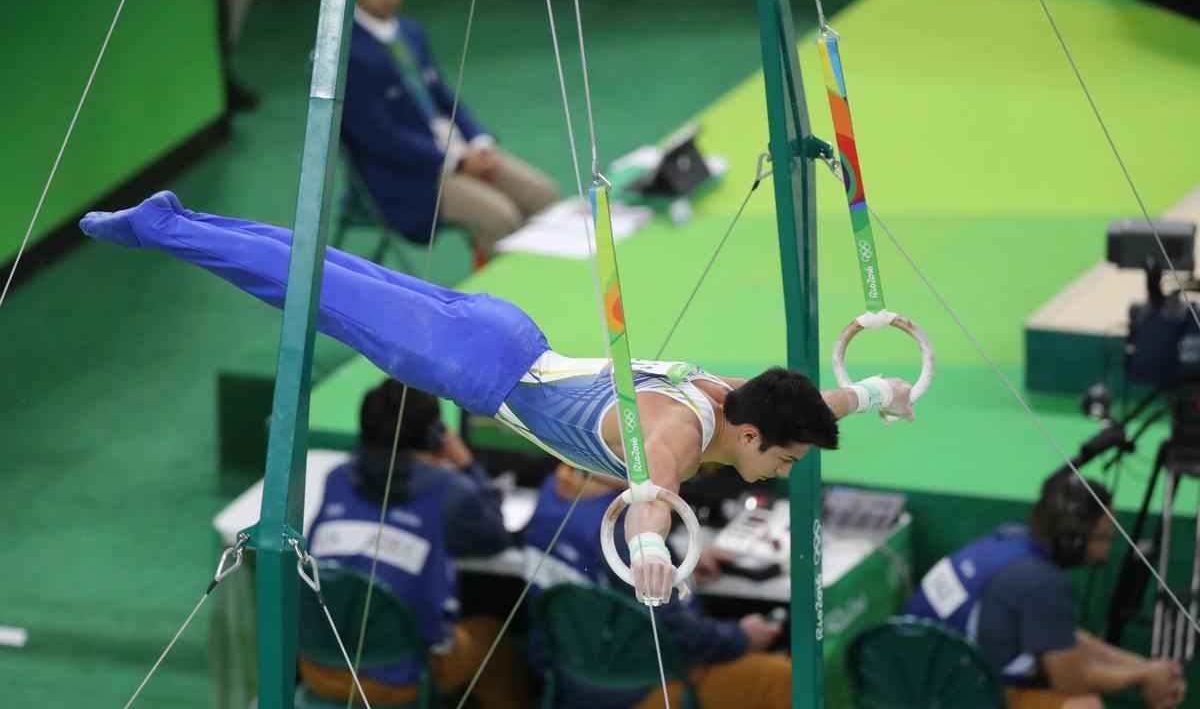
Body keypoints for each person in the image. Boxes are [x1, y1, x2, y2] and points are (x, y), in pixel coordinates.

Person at [79, 190, 916, 606]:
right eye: (784, 456)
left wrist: (876, 390)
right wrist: (653, 551)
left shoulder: (739, 398)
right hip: (471, 365)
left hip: (506, 337)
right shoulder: (673, 436)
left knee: (326, 274)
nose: (776, 473)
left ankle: (176, 218)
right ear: (753, 430)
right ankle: (165, 230)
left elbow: (811, 404)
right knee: (307, 289)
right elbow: (651, 498)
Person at [301, 380, 530, 708]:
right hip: (397, 683)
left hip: (317, 667)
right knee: (496, 646)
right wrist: (466, 464)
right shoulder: (447, 490)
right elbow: (494, 533)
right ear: (434, 435)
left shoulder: (337, 478)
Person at [344, 0, 558, 259]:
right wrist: (456, 161)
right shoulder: (347, 54)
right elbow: (381, 139)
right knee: (502, 219)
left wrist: (480, 142)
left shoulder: (411, 32)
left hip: (458, 153)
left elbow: (444, 97)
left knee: (545, 196)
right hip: (410, 180)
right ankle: (498, 304)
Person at [903, 471, 1187, 709]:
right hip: (945, 696)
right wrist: (1141, 678)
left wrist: (1146, 667)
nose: (1107, 550)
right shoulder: (1043, 583)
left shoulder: (1010, 540)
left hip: (907, 675)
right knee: (1083, 706)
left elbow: (1064, 638)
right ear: (1073, 541)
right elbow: (1069, 680)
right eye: (1104, 538)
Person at [523, 464, 791, 708]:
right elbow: (683, 636)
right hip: (640, 689)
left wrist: (675, 563)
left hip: (570, 683)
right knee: (783, 679)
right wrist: (741, 636)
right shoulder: (623, 531)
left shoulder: (554, 490)